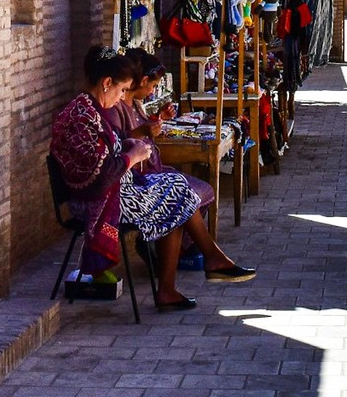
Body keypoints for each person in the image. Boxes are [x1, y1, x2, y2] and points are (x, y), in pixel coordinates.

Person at [50, 46, 254, 311]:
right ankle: (196, 271)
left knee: (177, 192)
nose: (122, 96)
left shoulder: (90, 110)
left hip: (115, 192)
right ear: (106, 83)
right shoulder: (82, 117)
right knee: (177, 196)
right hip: (97, 202)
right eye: (122, 90)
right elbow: (98, 179)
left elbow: (108, 151)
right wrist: (132, 157)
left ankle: (192, 274)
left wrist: (132, 146)